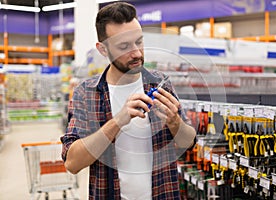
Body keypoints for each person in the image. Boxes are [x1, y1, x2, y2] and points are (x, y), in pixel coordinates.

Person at [61, 2, 196, 199]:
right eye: (124, 46)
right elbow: (72, 163)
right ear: (103, 49)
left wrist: (175, 121)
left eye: (139, 42)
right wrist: (117, 122)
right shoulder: (86, 93)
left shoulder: (160, 84)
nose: (136, 53)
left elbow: (188, 142)